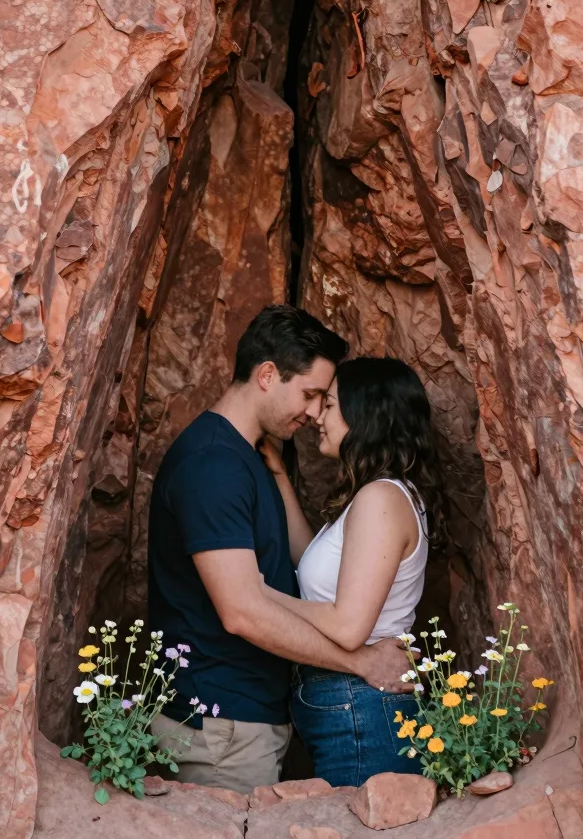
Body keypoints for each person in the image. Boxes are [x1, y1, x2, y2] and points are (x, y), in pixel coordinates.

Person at [147, 306, 413, 795]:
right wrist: (361, 662)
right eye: (310, 394)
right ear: (267, 375)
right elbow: (243, 612)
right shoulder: (214, 465)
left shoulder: (245, 458)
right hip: (220, 724)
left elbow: (295, 557)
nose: (314, 412)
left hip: (243, 721)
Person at [259, 356, 443, 787]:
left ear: (365, 415)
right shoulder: (377, 494)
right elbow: (311, 568)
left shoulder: (381, 498)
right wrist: (280, 479)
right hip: (352, 701)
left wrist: (256, 595)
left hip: (363, 705)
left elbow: (347, 626)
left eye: (331, 404)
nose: (318, 416)